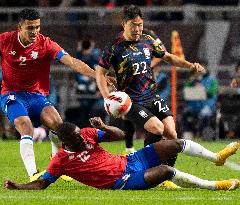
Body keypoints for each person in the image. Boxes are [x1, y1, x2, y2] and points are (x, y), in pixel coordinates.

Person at [4, 117, 240, 191]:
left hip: (129, 161)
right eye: (76, 137)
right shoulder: (60, 161)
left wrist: (104, 127)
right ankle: (215, 185)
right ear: (66, 142)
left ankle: (216, 158)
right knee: (166, 171)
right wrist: (19, 187)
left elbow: (119, 134)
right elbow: (42, 184)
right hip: (120, 181)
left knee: (174, 143)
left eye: (80, 134)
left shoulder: (86, 133)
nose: (81, 138)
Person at [0, 8, 96, 181]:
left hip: (35, 94)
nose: (35, 32)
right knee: (25, 125)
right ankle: (33, 174)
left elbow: (72, 62)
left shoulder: (46, 44)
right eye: (30, 28)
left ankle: (56, 166)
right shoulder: (5, 40)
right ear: (19, 26)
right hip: (12, 94)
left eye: (37, 27)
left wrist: (98, 76)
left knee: (59, 127)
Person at [96, 5, 205, 147]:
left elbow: (167, 57)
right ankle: (142, 159)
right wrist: (107, 98)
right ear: (124, 24)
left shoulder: (148, 39)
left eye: (140, 25)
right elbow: (100, 72)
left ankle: (163, 167)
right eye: (133, 25)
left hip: (152, 96)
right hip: (132, 101)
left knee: (172, 134)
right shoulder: (114, 47)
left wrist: (190, 65)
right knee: (157, 128)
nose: (137, 29)